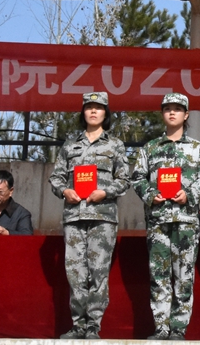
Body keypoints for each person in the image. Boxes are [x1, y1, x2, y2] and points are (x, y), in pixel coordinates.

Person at [49, 91, 130, 340]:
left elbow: (124, 179)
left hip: (103, 217)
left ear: (106, 113)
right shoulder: (70, 144)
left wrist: (104, 192)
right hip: (74, 216)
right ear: (83, 112)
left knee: (98, 272)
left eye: (99, 107)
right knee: (75, 273)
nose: (93, 111)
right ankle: (78, 325)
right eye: (89, 107)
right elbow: (56, 177)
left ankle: (93, 325)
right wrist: (65, 191)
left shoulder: (114, 145)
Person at [131, 93, 200, 340]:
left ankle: (178, 329)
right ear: (162, 114)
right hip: (158, 221)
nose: (172, 113)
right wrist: (150, 194)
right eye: (168, 109)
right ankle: (161, 327)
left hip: (186, 221)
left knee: (184, 276)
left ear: (186, 115)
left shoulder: (197, 149)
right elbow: (137, 178)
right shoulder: (150, 148)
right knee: (159, 276)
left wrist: (189, 195)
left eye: (178, 109)